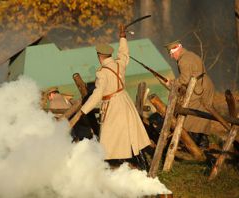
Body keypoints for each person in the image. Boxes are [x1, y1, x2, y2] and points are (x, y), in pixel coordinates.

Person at [78, 25, 151, 170]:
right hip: (125, 100)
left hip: (113, 106)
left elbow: (98, 94)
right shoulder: (119, 65)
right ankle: (141, 164)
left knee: (110, 139)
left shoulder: (101, 73)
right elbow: (124, 54)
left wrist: (84, 110)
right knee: (129, 135)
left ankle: (120, 166)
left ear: (100, 56)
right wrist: (122, 37)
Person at [164, 40, 215, 148]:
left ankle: (195, 143)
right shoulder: (190, 54)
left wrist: (171, 83)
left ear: (177, 49)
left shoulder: (183, 61)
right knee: (202, 115)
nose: (172, 57)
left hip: (198, 88)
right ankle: (202, 142)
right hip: (205, 85)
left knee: (190, 115)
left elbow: (184, 79)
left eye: (172, 54)